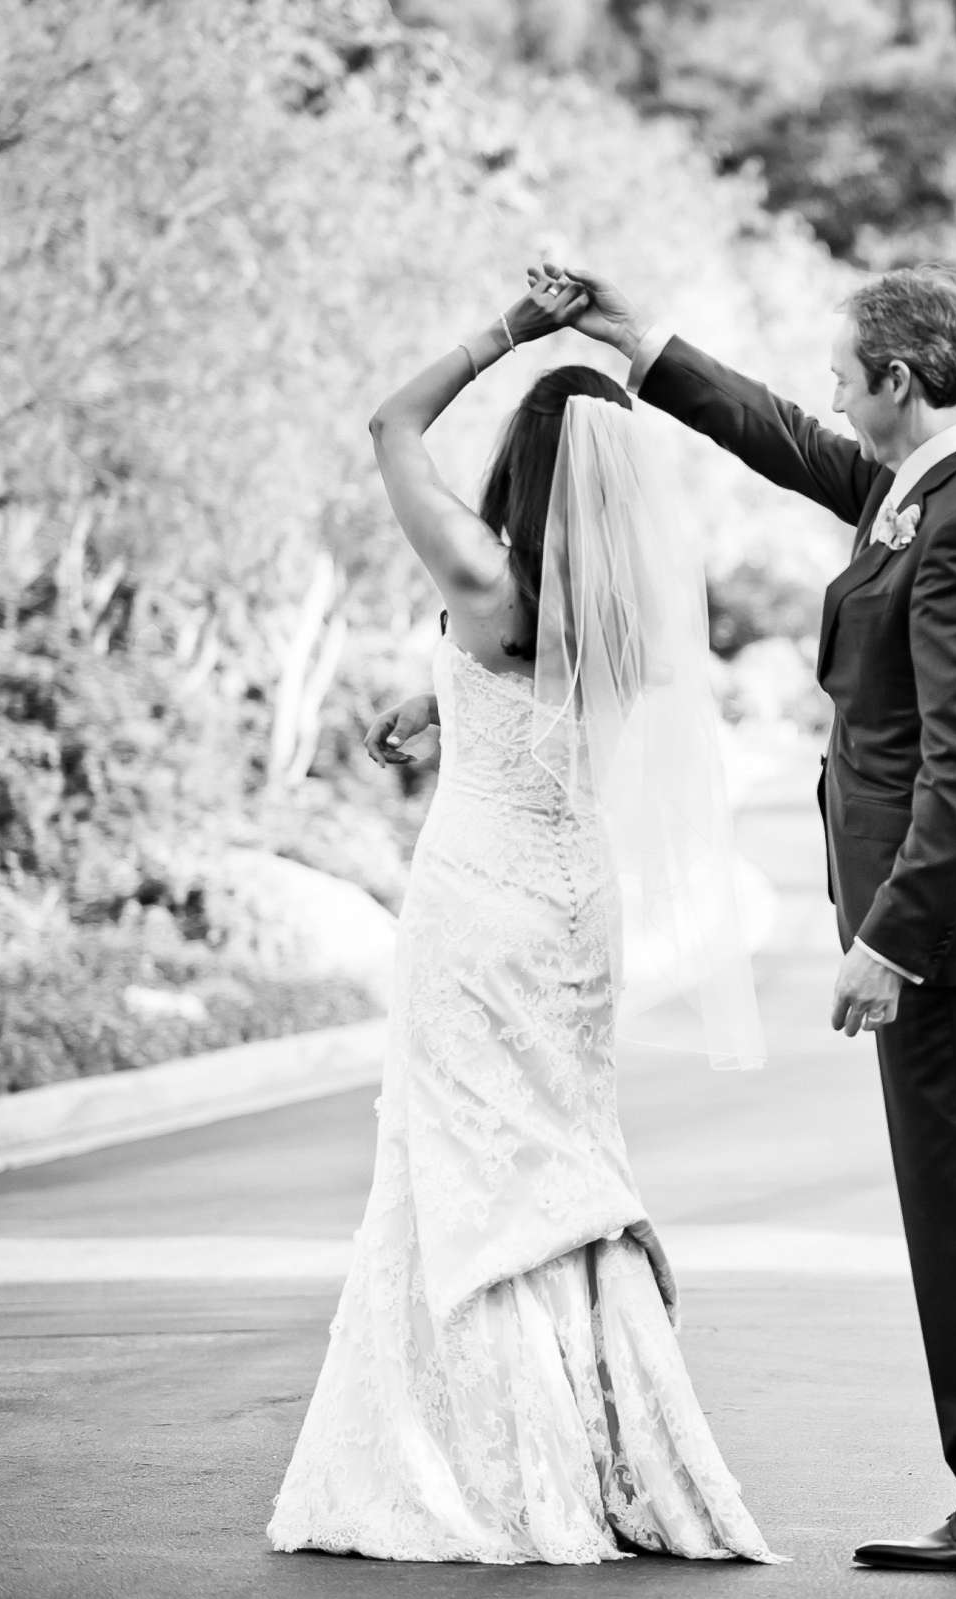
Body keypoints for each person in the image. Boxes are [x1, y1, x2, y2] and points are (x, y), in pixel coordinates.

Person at [362, 262, 956, 1571]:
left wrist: (891, 940)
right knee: (954, 1204)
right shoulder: (924, 491)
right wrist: (644, 342)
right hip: (934, 929)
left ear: (898, 382)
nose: (829, 395)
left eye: (844, 371)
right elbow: (787, 440)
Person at [266, 277, 778, 1566]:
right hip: (576, 914)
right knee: (559, 1165)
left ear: (521, 464)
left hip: (473, 904)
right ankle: (614, 1458)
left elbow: (392, 424)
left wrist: (512, 332)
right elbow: (544, 705)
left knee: (459, 1173)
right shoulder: (625, 619)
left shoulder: (481, 576)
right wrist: (442, 697)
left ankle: (484, 1471)